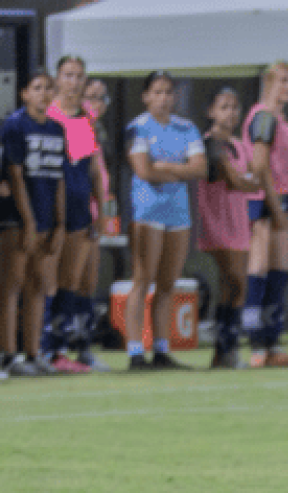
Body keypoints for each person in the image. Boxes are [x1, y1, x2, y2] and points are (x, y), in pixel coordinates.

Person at [124, 71, 207, 371]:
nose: (163, 98)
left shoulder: (186, 127)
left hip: (178, 213)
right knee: (142, 280)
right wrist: (179, 169)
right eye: (157, 92)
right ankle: (135, 351)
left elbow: (200, 169)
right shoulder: (138, 127)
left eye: (168, 92)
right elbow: (144, 171)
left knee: (167, 284)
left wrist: (168, 167)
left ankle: (161, 350)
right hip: (148, 212)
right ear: (146, 96)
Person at [43, 55, 108, 374]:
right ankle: (44, 350)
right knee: (47, 280)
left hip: (80, 209)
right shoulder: (47, 115)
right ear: (58, 79)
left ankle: (67, 348)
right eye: (68, 75)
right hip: (51, 209)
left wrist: (101, 207)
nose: (74, 81)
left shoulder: (85, 119)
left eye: (79, 76)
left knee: (74, 281)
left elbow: (91, 169)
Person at [0, 72, 65, 377]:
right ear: (24, 93)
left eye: (48, 88)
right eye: (37, 88)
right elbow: (15, 174)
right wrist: (28, 221)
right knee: (12, 284)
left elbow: (60, 178)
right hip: (18, 216)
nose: (43, 93)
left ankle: (33, 353)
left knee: (38, 285)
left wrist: (60, 223)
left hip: (47, 217)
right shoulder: (15, 125)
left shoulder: (58, 129)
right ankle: (8, 355)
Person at [243, 61, 288, 367]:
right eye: (283, 81)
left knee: (280, 270)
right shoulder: (264, 117)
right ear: (269, 83)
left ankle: (273, 343)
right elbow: (258, 165)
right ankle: (256, 345)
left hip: (282, 199)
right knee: (260, 266)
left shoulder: (281, 119)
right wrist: (275, 206)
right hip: (265, 200)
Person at [198, 87, 262, 369]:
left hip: (238, 221)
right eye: (224, 107)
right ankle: (226, 346)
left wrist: (246, 179)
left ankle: (224, 351)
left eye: (235, 107)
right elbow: (239, 181)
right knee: (235, 279)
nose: (231, 113)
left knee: (232, 286)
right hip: (216, 219)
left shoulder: (239, 144)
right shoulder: (209, 143)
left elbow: (254, 177)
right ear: (211, 111)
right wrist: (246, 179)